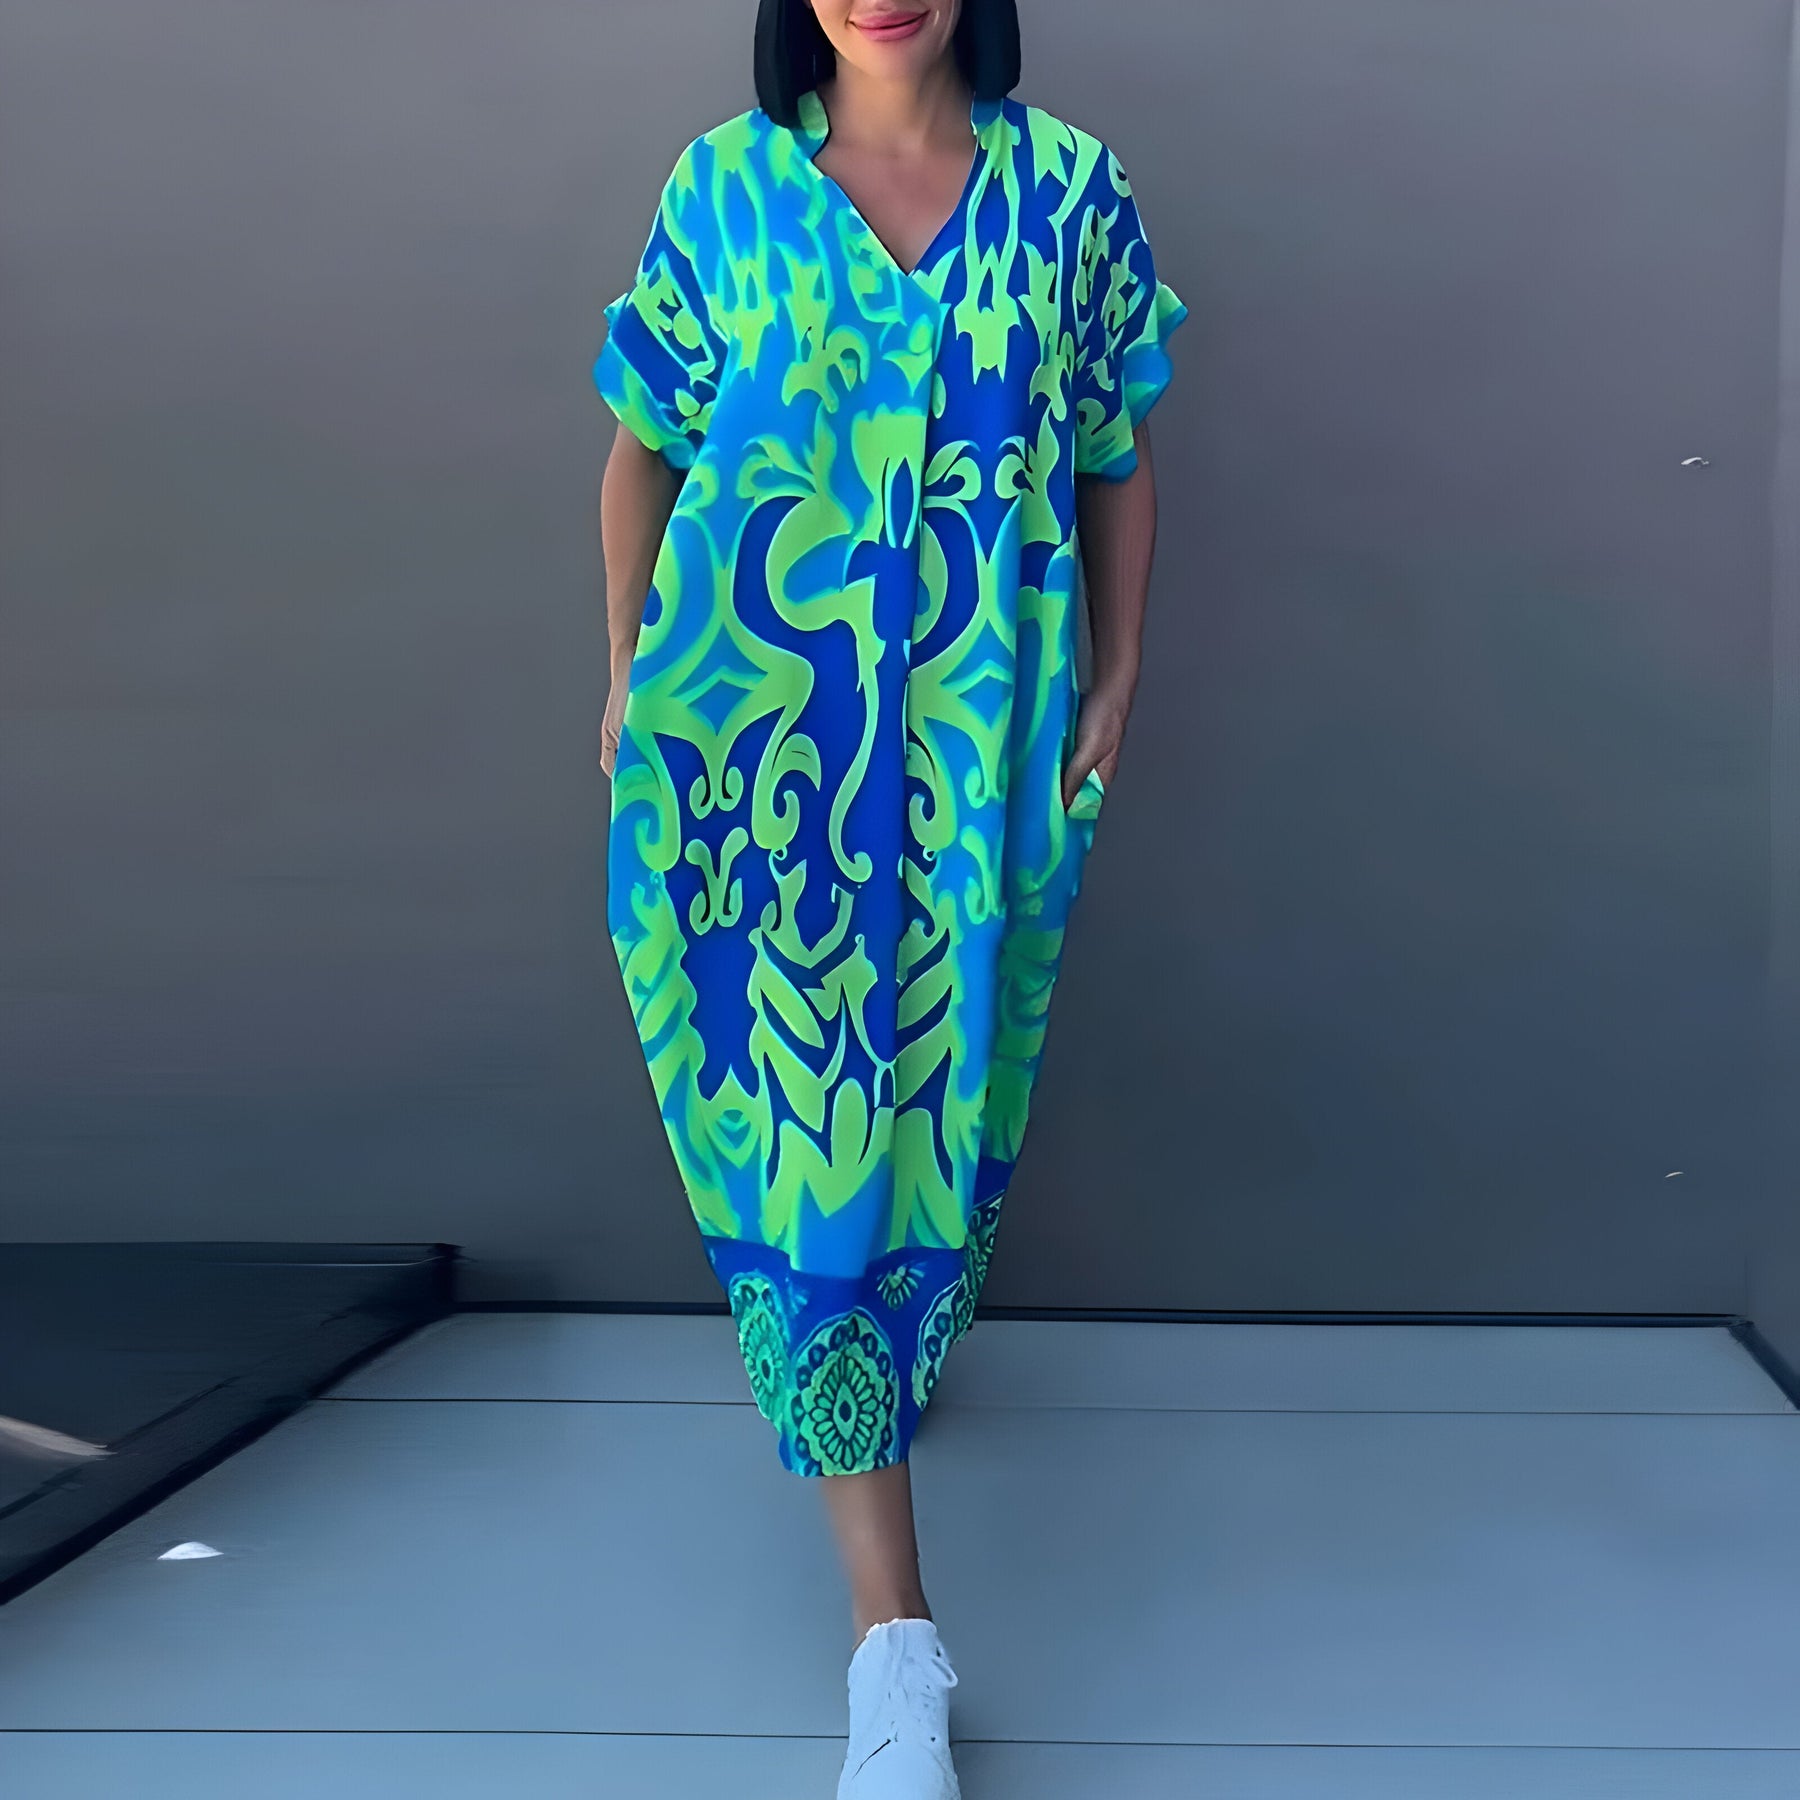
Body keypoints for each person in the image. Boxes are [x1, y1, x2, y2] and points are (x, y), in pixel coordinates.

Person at [592, 2, 1183, 1791]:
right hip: (754, 766)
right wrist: (623, 672)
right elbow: (647, 440)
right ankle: (895, 1645)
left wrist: (1120, 666)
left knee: (946, 1111)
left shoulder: (1070, 196)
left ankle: (901, 1354)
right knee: (821, 1140)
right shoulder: (724, 191)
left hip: (976, 772)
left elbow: (1112, 449)